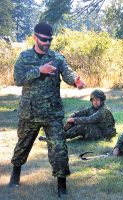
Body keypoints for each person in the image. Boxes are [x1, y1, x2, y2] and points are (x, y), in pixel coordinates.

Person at [9, 22, 86, 197]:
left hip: (52, 114)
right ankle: (15, 177)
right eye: (44, 39)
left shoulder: (57, 58)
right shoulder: (24, 57)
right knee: (22, 146)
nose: (47, 43)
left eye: (50, 39)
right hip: (30, 113)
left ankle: (61, 186)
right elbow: (18, 78)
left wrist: (76, 81)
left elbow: (67, 72)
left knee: (59, 149)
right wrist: (39, 70)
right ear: (35, 37)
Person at [40, 89, 116, 141]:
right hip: (96, 130)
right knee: (73, 122)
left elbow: (89, 119)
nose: (95, 102)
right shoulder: (93, 108)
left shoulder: (104, 110)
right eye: (94, 100)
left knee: (83, 125)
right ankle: (54, 135)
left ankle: (56, 138)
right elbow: (80, 113)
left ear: (102, 101)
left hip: (103, 134)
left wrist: (74, 120)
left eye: (97, 100)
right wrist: (72, 116)